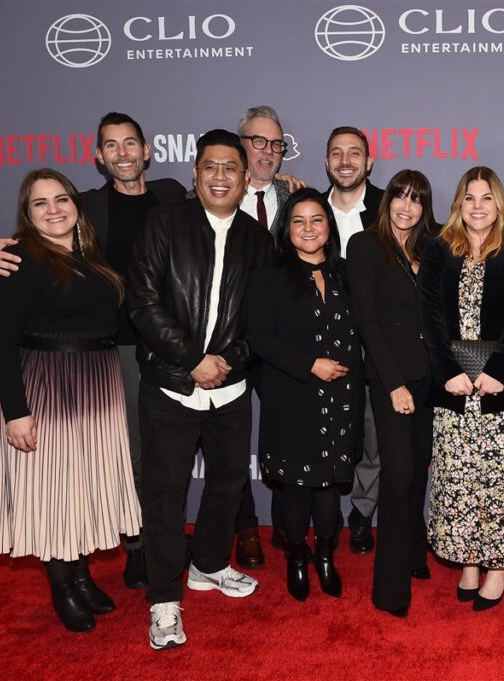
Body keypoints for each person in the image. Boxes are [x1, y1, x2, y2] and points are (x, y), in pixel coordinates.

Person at [0, 113, 186, 589]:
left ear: (147, 150)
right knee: (110, 463)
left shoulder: (174, 194)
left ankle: (160, 542)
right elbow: (27, 248)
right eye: (111, 145)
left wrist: (278, 182)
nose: (123, 153)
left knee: (143, 459)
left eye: (130, 143)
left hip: (164, 350)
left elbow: (223, 199)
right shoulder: (86, 205)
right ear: (98, 156)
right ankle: (136, 551)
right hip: (114, 355)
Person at [128, 129, 272, 649]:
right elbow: (143, 302)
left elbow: (264, 319)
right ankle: (165, 598)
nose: (220, 176)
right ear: (195, 173)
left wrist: (227, 363)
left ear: (245, 176)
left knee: (229, 483)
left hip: (229, 388)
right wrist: (192, 360)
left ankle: (208, 565)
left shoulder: (259, 239)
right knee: (165, 493)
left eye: (231, 167)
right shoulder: (164, 223)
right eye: (210, 166)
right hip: (170, 384)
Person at [0, 168, 142, 632]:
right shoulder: (17, 258)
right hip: (46, 386)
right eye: (40, 203)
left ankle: (82, 577)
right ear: (27, 213)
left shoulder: (91, 254)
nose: (53, 209)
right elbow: (0, 342)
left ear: (77, 205)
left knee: (83, 488)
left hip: (96, 383)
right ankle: (63, 586)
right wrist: (16, 413)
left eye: (61, 199)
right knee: (52, 492)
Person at [418, 166, 504, 611]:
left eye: (487, 197)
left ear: (499, 204)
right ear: (459, 203)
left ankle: (500, 567)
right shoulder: (438, 248)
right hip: (454, 389)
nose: (478, 206)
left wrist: (500, 371)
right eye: (470, 197)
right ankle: (470, 561)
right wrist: (446, 371)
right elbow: (430, 314)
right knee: (460, 482)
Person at [246, 188, 362, 602]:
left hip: (342, 398)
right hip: (291, 396)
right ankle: (297, 556)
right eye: (298, 221)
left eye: (317, 219)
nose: (308, 228)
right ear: (286, 229)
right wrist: (310, 364)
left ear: (329, 226)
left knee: (329, 486)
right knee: (296, 487)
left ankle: (325, 556)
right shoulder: (269, 276)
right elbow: (259, 337)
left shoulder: (347, 273)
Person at [347, 170, 438, 617]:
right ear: (388, 201)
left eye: (416, 199)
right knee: (398, 473)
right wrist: (394, 383)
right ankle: (389, 588)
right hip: (391, 380)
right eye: (400, 196)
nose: (407, 206)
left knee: (419, 469)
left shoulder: (430, 247)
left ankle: (415, 550)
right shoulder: (365, 245)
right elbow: (367, 322)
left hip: (430, 378)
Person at [234, 105, 307, 567]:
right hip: (228, 338)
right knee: (231, 438)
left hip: (281, 339)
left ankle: (285, 521)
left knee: (286, 430)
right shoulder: (210, 192)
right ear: (240, 145)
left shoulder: (294, 194)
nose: (267, 151)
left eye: (276, 144)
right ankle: (245, 528)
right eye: (258, 141)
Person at [323, 126, 385, 553]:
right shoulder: (308, 208)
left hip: (375, 342)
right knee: (325, 432)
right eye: (337, 153)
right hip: (322, 343)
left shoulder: (389, 208)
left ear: (369, 161)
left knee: (375, 436)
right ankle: (323, 516)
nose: (345, 161)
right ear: (326, 161)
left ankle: (362, 514)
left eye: (354, 153)